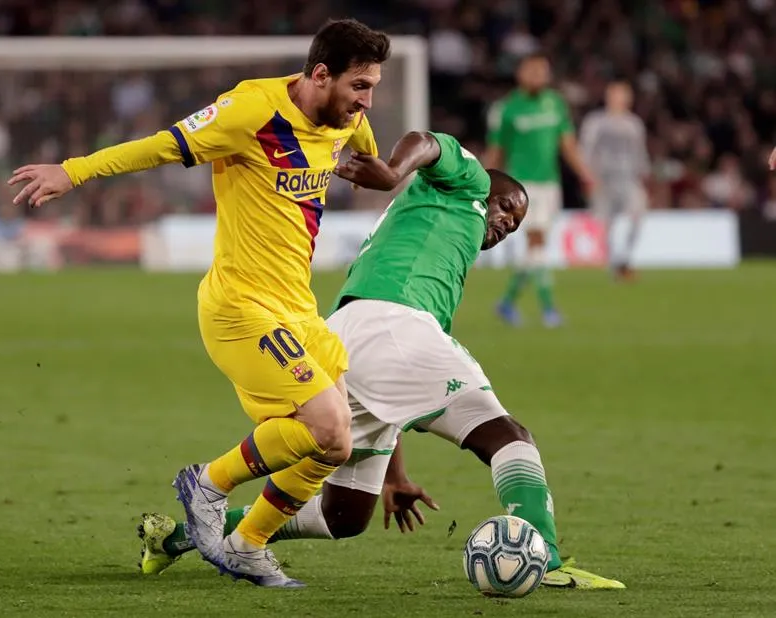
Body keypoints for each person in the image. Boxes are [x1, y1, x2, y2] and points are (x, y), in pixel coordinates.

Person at [136, 130, 624, 590]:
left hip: (353, 336)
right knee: (509, 438)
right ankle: (550, 563)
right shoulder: (467, 180)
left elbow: (393, 390)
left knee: (343, 515)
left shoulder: (433, 246)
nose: (505, 225)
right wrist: (393, 170)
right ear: (486, 190)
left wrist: (397, 476)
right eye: (505, 209)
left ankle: (180, 535)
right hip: (391, 325)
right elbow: (426, 143)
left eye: (515, 226)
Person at [7, 19, 391, 589]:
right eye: (360, 86)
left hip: (297, 310)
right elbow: (161, 146)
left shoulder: (346, 120)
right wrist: (73, 171)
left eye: (373, 87)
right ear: (320, 75)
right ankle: (206, 484)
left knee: (334, 444)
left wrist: (378, 172)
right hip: (241, 307)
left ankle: (248, 544)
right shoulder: (249, 111)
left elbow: (365, 156)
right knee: (327, 423)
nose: (367, 100)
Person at [485, 53, 595, 327]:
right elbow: (496, 152)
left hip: (550, 184)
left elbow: (567, 144)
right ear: (520, 73)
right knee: (536, 241)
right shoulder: (507, 109)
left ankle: (507, 302)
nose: (537, 75)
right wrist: (485, 184)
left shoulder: (555, 104)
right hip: (522, 188)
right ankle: (549, 309)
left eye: (542, 70)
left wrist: (585, 174)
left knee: (538, 245)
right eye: (532, 70)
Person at [580, 81, 650, 281]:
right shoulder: (596, 122)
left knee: (638, 216)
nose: (619, 99)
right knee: (606, 225)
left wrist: (643, 175)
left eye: (623, 95)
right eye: (615, 94)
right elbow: (586, 149)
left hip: (628, 179)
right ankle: (616, 266)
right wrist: (588, 176)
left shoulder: (634, 124)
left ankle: (625, 259)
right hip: (603, 180)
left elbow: (640, 152)